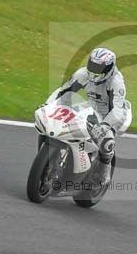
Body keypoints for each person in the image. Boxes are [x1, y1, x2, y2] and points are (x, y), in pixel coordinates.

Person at [44, 47, 132, 186]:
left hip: (112, 115)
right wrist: (48, 105)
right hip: (91, 108)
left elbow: (117, 110)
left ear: (109, 68)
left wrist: (105, 125)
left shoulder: (116, 82)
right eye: (93, 65)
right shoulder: (83, 73)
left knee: (107, 141)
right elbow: (64, 91)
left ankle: (104, 173)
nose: (95, 71)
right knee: (57, 121)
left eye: (99, 68)